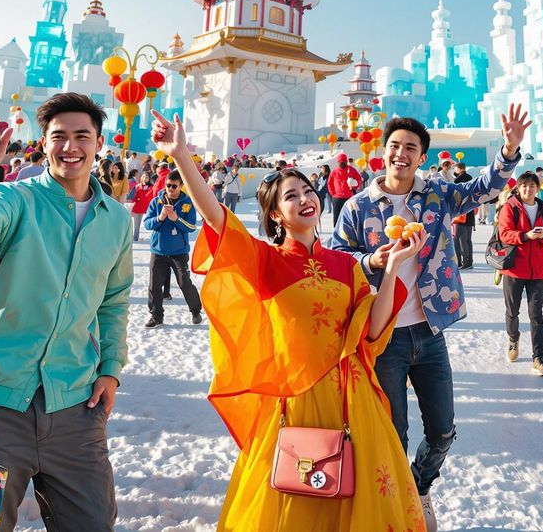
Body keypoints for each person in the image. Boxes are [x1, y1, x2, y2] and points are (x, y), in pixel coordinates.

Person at [149, 109, 427, 531]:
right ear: (276, 214)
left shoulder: (345, 265)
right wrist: (182, 156)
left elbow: (372, 332)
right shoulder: (264, 260)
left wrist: (392, 270)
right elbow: (216, 219)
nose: (305, 199)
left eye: (307, 190)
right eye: (291, 196)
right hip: (294, 401)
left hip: (354, 401)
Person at [0, 95, 134, 531]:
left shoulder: (117, 220)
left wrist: (110, 368)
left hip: (76, 404)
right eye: (58, 136)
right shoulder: (15, 197)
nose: (71, 146)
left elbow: (113, 301)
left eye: (81, 136)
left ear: (98, 143)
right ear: (43, 144)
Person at [331, 107, 528, 531]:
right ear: (382, 153)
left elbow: (484, 188)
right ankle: (399, 506)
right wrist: (370, 259)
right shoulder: (358, 207)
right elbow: (336, 257)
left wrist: (509, 148)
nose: (401, 153)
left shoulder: (437, 195)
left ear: (421, 157)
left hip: (429, 331)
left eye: (411, 148)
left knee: (442, 431)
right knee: (393, 435)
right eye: (395, 146)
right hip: (383, 337)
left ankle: (419, 487)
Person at [496, 173, 543, 375]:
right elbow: (504, 233)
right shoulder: (510, 207)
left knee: (536, 315)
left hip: (538, 270)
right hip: (514, 268)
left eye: (532, 186)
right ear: (519, 188)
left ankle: (539, 357)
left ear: (537, 188)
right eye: (524, 186)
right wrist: (524, 235)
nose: (528, 190)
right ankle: (513, 339)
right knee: (512, 311)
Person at [143, 169, 203, 328]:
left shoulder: (188, 203)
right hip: (159, 250)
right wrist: (160, 218)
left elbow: (191, 227)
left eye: (174, 186)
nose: (170, 188)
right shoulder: (157, 202)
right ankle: (156, 316)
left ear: (181, 186)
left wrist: (176, 219)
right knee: (154, 286)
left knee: (184, 283)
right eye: (168, 185)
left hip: (179, 252)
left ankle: (195, 310)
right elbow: (147, 224)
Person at [451, 162, 476, 269]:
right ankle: (469, 261)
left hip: (461, 213)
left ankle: (461, 262)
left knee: (458, 239)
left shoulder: (458, 180)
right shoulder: (470, 178)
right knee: (468, 240)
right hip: (470, 212)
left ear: (459, 168)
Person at [326, 154, 363, 221]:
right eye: (340, 161)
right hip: (337, 198)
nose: (342, 163)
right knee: (337, 217)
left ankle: (349, 230)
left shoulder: (351, 170)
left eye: (344, 161)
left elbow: (359, 180)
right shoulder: (334, 171)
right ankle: (337, 230)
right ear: (338, 162)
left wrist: (355, 183)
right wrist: (333, 193)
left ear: (346, 161)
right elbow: (329, 183)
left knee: (349, 216)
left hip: (349, 197)